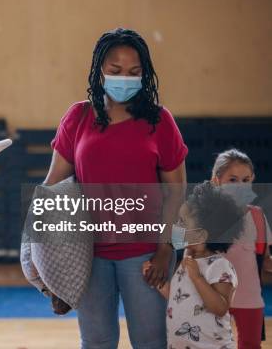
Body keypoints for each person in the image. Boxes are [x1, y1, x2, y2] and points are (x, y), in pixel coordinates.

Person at [44, 27, 188, 348]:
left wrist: (167, 249)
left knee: (152, 342)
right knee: (95, 342)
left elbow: (177, 192)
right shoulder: (78, 117)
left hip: (148, 257)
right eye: (116, 71)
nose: (125, 78)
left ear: (145, 74)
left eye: (134, 72)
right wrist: (54, 275)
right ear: (99, 71)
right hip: (87, 257)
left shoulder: (160, 122)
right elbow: (52, 189)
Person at [150, 181, 244, 349]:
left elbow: (220, 307)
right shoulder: (188, 260)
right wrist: (159, 283)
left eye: (182, 222)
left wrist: (197, 277)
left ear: (200, 235)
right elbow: (179, 297)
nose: (176, 226)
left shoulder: (220, 266)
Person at [211, 149, 272, 348]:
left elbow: (265, 258)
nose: (240, 186)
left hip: (250, 297)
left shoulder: (257, 216)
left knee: (250, 345)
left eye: (246, 180)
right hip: (212, 297)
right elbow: (177, 241)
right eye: (233, 180)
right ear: (217, 180)